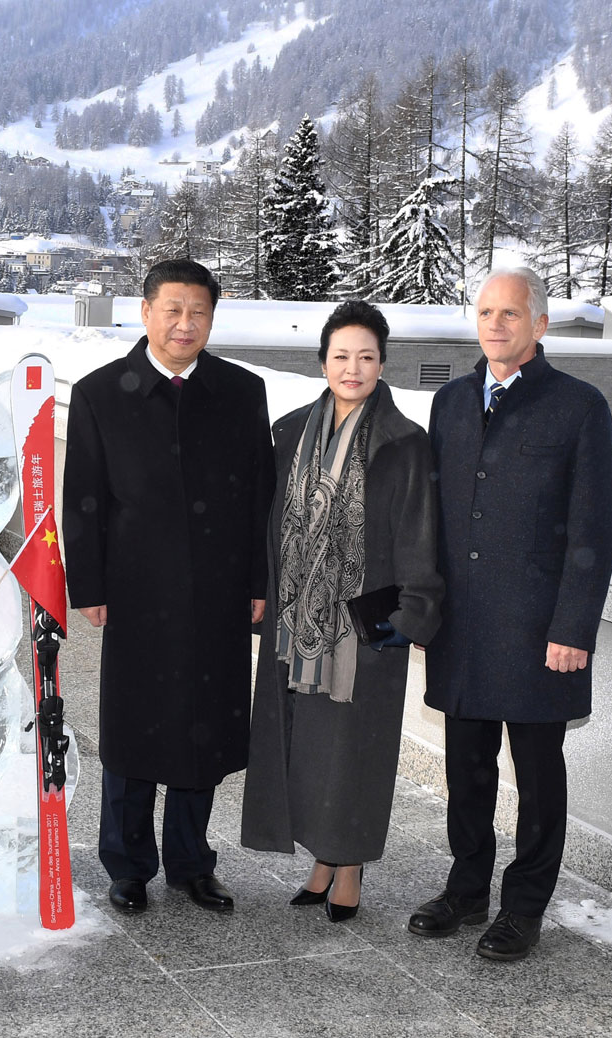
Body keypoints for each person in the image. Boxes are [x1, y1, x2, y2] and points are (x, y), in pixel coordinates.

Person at [409, 267, 612, 961]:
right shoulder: (450, 402)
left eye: (510, 313)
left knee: (537, 776)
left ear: (540, 324)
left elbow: (594, 528)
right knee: (466, 769)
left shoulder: (579, 406)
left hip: (537, 632)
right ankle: (467, 889)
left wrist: (573, 628)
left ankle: (524, 907)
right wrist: (424, 609)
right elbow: (434, 517)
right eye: (486, 312)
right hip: (463, 628)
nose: (496, 324)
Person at [62, 258, 274, 914]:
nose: (185, 324)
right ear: (146, 312)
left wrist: (259, 581)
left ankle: (191, 863)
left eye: (199, 312)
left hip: (218, 591)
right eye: (173, 310)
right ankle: (127, 865)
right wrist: (88, 586)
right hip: (136, 592)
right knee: (133, 733)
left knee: (201, 731)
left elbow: (261, 496)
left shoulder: (241, 391)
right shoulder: (100, 393)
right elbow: (84, 499)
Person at [241, 301, 444, 921]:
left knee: (355, 749)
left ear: (383, 363)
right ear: (322, 361)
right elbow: (267, 523)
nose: (352, 368)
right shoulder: (290, 432)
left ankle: (349, 864)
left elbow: (419, 531)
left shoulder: (404, 443)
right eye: (341, 356)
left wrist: (412, 614)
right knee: (307, 746)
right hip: (297, 619)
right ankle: (322, 860)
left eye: (366, 357)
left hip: (364, 622)